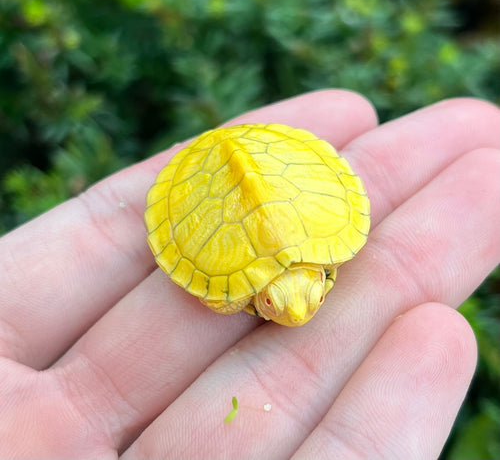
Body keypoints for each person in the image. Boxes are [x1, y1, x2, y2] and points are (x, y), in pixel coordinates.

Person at [0, 90, 498, 459]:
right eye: (275, 306)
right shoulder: (240, 288)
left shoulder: (335, 248)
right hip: (218, 184)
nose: (298, 313)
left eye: (317, 295)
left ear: (326, 277)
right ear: (259, 300)